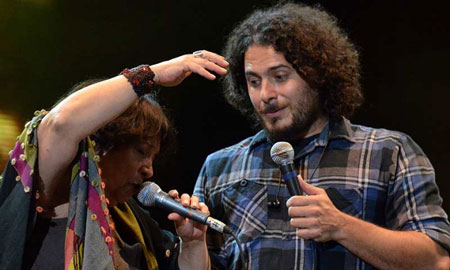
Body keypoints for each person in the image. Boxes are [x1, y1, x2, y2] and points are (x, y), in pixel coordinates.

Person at [193, 3, 450, 270]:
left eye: (280, 76)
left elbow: (437, 261)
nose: (265, 94)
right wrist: (189, 244)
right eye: (254, 81)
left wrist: (340, 226)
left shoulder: (389, 152)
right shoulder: (219, 167)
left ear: (317, 75)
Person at [0, 50, 228, 270]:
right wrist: (152, 74)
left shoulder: (136, 225)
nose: (149, 171)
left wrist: (193, 243)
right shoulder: (48, 195)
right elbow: (59, 125)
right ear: (98, 143)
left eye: (153, 158)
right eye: (141, 152)